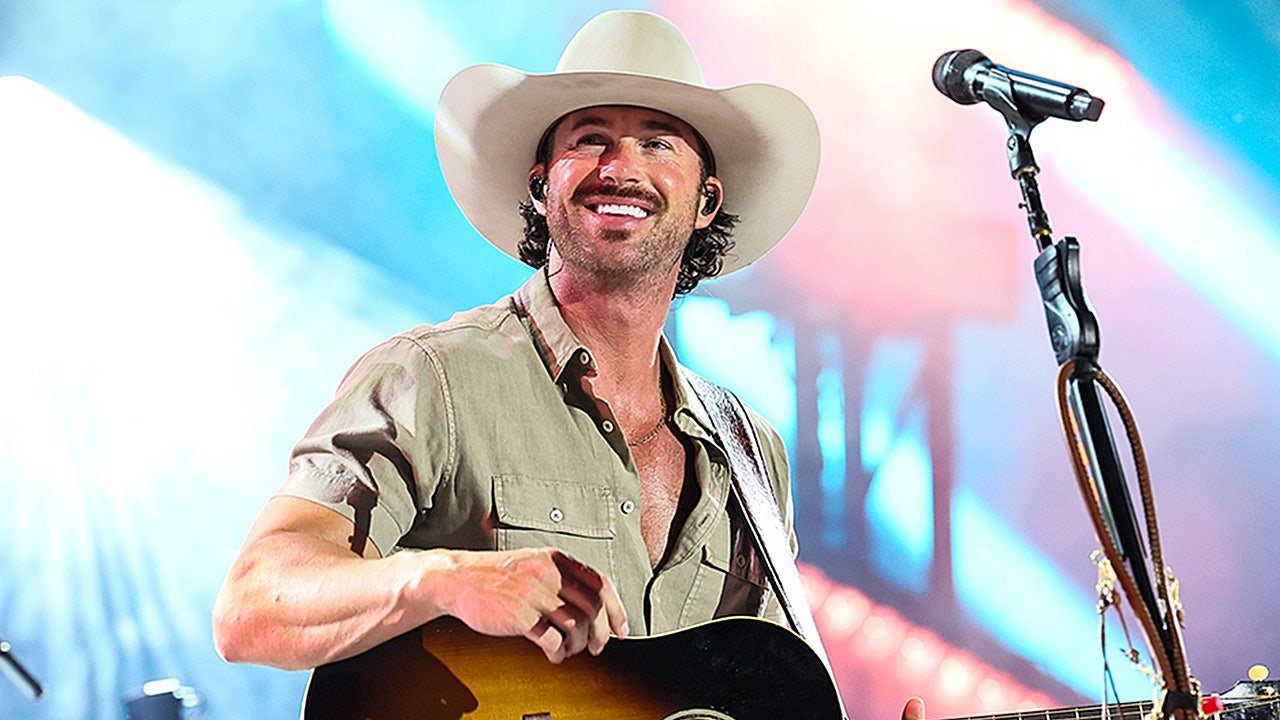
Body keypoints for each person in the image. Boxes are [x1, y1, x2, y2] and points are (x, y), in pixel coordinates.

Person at [214, 9, 923, 718]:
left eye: (658, 143)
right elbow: (251, 605)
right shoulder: (433, 378)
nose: (621, 168)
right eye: (590, 140)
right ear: (540, 186)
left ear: (707, 201)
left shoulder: (752, 451)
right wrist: (445, 579)